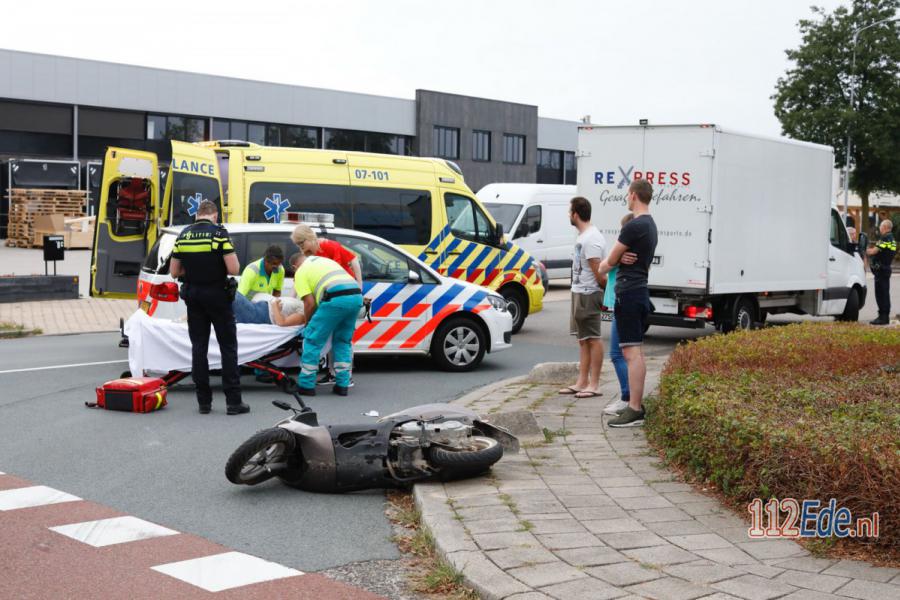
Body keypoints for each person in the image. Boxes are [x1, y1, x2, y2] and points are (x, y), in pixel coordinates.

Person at [169, 200, 249, 415]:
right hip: (218, 296)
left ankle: (204, 402)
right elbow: (233, 268)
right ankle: (233, 402)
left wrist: (194, 271)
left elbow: (174, 272)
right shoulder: (219, 234)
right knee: (228, 348)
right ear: (214, 215)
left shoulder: (183, 235)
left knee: (199, 348)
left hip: (194, 296)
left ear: (198, 214)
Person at [599, 179, 658, 427]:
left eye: (627, 195)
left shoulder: (633, 226)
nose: (627, 198)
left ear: (633, 195)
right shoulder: (651, 225)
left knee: (631, 353)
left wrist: (616, 259)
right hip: (639, 290)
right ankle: (634, 405)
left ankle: (634, 409)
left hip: (629, 293)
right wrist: (622, 258)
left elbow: (604, 265)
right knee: (635, 352)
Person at [291, 229, 363, 396]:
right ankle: (342, 385)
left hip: (335, 298)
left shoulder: (301, 272)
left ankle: (306, 386)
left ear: (295, 267)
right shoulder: (324, 262)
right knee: (343, 341)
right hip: (355, 296)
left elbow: (309, 304)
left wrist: (307, 324)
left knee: (313, 339)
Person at [559, 197, 606, 399]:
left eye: (570, 211)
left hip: (589, 293)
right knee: (582, 339)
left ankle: (594, 384)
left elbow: (599, 274)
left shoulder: (592, 238)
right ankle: (582, 382)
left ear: (576, 214)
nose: (569, 215)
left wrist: (606, 295)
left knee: (593, 339)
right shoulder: (583, 236)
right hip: (579, 291)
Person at [602, 213, 635, 416]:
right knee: (629, 354)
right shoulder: (637, 252)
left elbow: (603, 266)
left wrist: (614, 258)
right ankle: (631, 397)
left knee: (617, 354)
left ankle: (627, 398)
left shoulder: (624, 252)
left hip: (621, 303)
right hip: (626, 303)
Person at [866, 219, 896, 325]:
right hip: (886, 268)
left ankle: (882, 317)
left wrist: (863, 249)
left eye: (880, 227)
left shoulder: (885, 238)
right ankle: (884, 316)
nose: (879, 228)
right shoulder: (892, 238)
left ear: (885, 227)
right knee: (885, 293)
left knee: (881, 294)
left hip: (881, 270)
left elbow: (874, 251)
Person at [232, 292, 306, 327]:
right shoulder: (303, 305)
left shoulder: (303, 314)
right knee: (230, 292)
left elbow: (281, 323)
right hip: (261, 309)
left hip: (262, 315)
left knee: (230, 293)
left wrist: (275, 305)